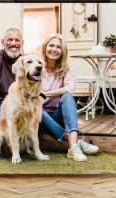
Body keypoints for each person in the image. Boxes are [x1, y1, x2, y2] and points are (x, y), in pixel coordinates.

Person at [40, 34, 99, 162]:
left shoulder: (65, 70)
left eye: (58, 47)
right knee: (36, 109)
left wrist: (45, 94)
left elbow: (69, 89)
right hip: (38, 119)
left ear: (62, 52)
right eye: (51, 45)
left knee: (67, 97)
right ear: (45, 47)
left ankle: (72, 148)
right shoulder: (37, 67)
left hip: (57, 115)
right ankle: (76, 142)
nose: (54, 49)